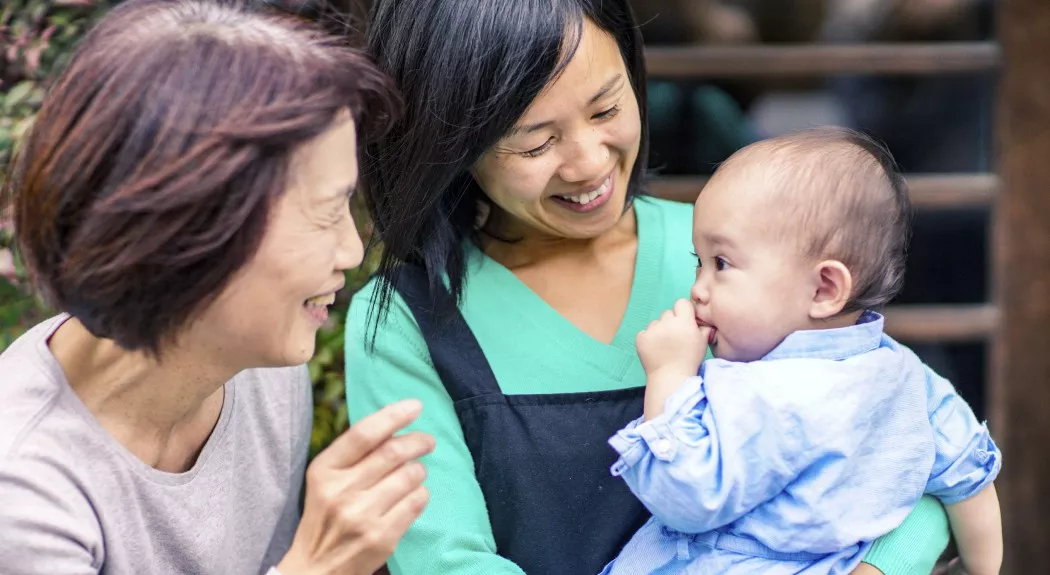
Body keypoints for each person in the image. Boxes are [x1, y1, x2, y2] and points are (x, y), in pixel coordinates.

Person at [345, 1, 953, 574]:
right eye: (536, 140)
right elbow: (445, 560)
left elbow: (908, 462)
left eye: (607, 110)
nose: (588, 162)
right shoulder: (408, 322)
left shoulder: (742, 264)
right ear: (451, 140)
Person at [0, 1, 434, 573]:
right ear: (188, 231)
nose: (352, 252)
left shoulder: (263, 369)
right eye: (327, 212)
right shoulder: (24, 501)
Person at [602, 128, 1003, 575]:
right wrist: (981, 567)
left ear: (825, 288)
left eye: (722, 264)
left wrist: (669, 376)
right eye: (700, 261)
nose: (698, 289)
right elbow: (971, 477)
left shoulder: (763, 393)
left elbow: (686, 497)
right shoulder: (911, 378)